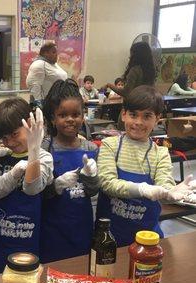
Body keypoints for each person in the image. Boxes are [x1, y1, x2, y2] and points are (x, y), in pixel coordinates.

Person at [96, 85, 195, 247]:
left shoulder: (160, 153)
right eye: (133, 115)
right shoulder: (110, 146)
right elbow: (107, 183)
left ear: (157, 119)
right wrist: (143, 189)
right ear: (123, 115)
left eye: (147, 116)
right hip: (109, 238)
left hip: (148, 238)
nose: (138, 122)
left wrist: (169, 193)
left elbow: (164, 183)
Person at [0, 97, 53, 275]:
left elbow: (32, 188)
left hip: (26, 239)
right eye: (4, 138)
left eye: (14, 134)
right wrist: (13, 174)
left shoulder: (44, 157)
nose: (10, 142)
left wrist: (34, 151)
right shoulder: (0, 156)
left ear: (29, 124)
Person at [41, 79, 100, 263]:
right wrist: (55, 186)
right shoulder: (45, 147)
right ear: (53, 118)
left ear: (83, 116)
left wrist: (91, 179)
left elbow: (94, 192)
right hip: (51, 230)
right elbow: (38, 193)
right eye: (62, 114)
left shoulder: (91, 149)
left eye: (76, 114)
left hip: (81, 227)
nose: (70, 119)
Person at [106, 42, 156, 130]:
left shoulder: (135, 70)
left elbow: (126, 92)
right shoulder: (151, 71)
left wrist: (109, 85)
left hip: (132, 106)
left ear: (135, 54)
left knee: (124, 132)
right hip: (147, 106)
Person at [26, 41, 68, 106]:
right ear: (45, 53)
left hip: (59, 102)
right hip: (47, 104)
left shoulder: (53, 64)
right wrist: (39, 104)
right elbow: (33, 85)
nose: (57, 54)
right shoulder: (39, 64)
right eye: (54, 52)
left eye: (56, 52)